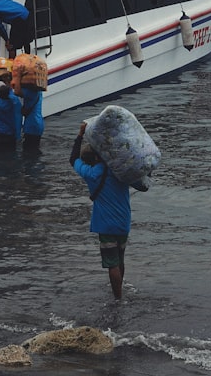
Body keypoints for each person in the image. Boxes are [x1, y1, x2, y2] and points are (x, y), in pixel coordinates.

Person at [70, 121, 131, 300]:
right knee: (120, 258)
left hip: (105, 225)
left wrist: (80, 136)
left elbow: (73, 159)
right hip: (124, 222)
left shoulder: (91, 175)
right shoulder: (120, 171)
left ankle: (118, 299)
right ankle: (120, 287)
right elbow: (141, 181)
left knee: (112, 263)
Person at [20, 84, 44, 152]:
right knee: (35, 148)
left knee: (28, 150)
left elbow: (16, 92)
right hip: (39, 124)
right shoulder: (39, 92)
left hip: (31, 125)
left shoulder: (29, 92)